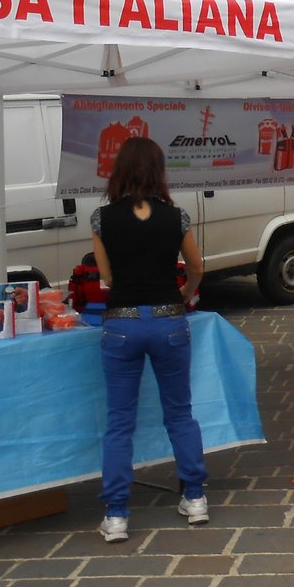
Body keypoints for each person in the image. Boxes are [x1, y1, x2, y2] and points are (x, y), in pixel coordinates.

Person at [90, 136, 208, 544]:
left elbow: (106, 278)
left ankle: (117, 515)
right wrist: (186, 292)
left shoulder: (101, 219)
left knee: (120, 422)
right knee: (180, 412)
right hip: (169, 321)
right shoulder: (177, 217)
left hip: (121, 323)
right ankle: (194, 498)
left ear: (119, 170)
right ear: (159, 171)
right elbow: (196, 266)